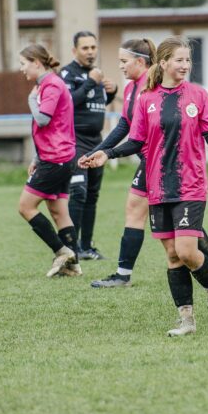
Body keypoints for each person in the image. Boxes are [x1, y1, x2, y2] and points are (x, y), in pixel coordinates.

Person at [80, 36, 208, 336]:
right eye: (179, 60)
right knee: (173, 255)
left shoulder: (198, 95)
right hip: (158, 186)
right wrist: (106, 153)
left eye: (188, 60)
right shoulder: (147, 98)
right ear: (163, 63)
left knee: (187, 251)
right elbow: (136, 141)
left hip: (190, 184)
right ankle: (186, 320)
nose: (185, 65)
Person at [89, 38, 208, 289]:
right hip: (152, 163)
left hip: (164, 164)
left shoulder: (162, 88)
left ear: (140, 61)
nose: (120, 66)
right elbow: (125, 127)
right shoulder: (134, 90)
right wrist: (102, 151)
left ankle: (124, 274)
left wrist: (104, 152)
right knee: (169, 221)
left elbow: (206, 135)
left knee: (165, 216)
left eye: (124, 61)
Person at [16, 44, 81, 278]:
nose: (21, 68)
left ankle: (62, 251)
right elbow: (54, 126)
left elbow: (43, 119)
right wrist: (37, 156)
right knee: (59, 212)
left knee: (25, 207)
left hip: (55, 159)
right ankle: (73, 266)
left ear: (36, 62)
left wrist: (31, 100)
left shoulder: (51, 85)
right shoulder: (49, 83)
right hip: (59, 157)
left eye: (23, 63)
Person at [60, 31, 118, 260]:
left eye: (93, 47)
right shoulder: (68, 73)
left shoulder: (96, 74)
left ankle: (86, 247)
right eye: (85, 48)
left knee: (92, 194)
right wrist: (91, 82)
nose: (90, 52)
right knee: (79, 192)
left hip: (97, 142)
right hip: (76, 141)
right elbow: (67, 103)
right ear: (74, 51)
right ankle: (71, 248)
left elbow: (95, 103)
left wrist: (111, 92)